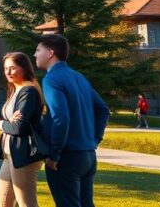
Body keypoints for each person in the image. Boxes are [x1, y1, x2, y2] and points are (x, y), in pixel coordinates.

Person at [34, 35, 109, 207]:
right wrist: (94, 139)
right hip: (88, 156)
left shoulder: (52, 79)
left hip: (66, 158)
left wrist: (54, 154)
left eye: (38, 50)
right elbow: (103, 110)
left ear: (50, 53)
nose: (35, 54)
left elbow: (60, 117)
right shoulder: (79, 77)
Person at [0, 52, 46, 207]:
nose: (8, 72)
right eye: (5, 68)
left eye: (13, 68)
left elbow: (18, 128)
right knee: (2, 202)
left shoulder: (28, 91)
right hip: (10, 155)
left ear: (24, 68)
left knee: (26, 203)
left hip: (24, 155)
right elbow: (11, 123)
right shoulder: (15, 90)